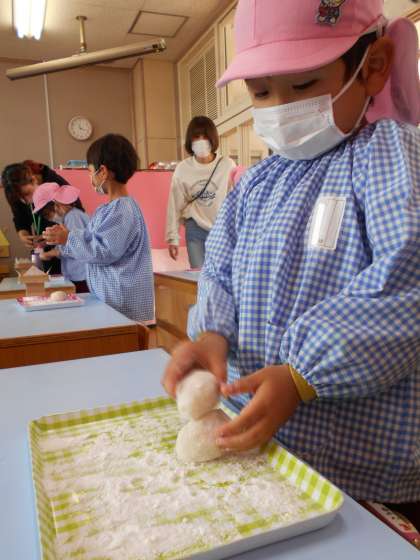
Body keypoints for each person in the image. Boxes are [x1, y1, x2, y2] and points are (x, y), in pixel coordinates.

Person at [163, 0, 420, 527]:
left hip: (365, 473)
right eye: (261, 92)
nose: (280, 107)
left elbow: (405, 279)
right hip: (273, 455)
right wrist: (212, 333)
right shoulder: (256, 184)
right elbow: (220, 272)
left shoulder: (388, 156)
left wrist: (304, 375)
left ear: (372, 67)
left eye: (303, 85)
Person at [43, 134, 154, 323]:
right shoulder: (108, 209)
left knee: (121, 340)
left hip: (121, 301)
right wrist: (66, 236)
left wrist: (68, 238)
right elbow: (91, 237)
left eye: (90, 171)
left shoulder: (122, 209)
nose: (90, 177)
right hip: (110, 297)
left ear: (102, 172)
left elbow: (104, 251)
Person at [166, 116, 236, 268]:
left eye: (205, 136)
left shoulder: (227, 165)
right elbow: (174, 204)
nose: (201, 140)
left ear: (212, 138)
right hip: (195, 228)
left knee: (222, 275)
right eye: (196, 137)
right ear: (190, 140)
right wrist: (172, 238)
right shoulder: (183, 169)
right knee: (198, 275)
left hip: (221, 230)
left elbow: (235, 201)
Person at [1, 161, 82, 273]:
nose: (27, 201)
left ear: (34, 179)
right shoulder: (16, 191)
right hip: (46, 249)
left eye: (27, 194)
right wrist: (23, 235)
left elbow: (75, 223)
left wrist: (55, 237)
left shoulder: (56, 184)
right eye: (21, 199)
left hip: (69, 256)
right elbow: (19, 218)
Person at [33, 183, 90, 293]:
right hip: (75, 275)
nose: (49, 218)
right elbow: (67, 241)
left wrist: (51, 253)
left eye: (47, 214)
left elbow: (77, 247)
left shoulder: (73, 217)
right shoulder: (68, 218)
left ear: (57, 204)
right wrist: (48, 242)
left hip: (82, 275)